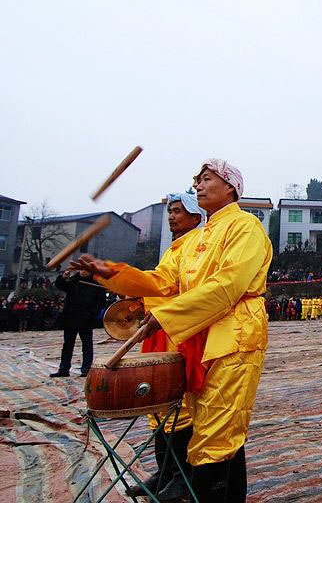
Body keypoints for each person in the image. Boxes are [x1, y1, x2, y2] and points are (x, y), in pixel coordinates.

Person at [72, 159, 272, 502]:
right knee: (196, 422)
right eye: (196, 180)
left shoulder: (245, 227)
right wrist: (110, 273)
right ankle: (192, 491)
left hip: (234, 335)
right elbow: (162, 282)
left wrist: (168, 317)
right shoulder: (196, 239)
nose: (198, 185)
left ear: (230, 188)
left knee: (218, 429)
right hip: (196, 334)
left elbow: (230, 284)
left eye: (206, 179)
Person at [126, 191, 206, 502]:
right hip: (156, 331)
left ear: (195, 217)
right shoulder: (173, 249)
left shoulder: (198, 247)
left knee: (180, 407)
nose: (172, 216)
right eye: (170, 211)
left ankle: (181, 476)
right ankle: (165, 469)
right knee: (158, 404)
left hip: (179, 332)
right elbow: (158, 282)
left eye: (178, 211)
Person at [49, 271, 106, 377]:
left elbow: (101, 301)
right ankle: (64, 369)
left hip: (86, 320)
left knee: (87, 345)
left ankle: (86, 369)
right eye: (81, 269)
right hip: (70, 318)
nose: (84, 271)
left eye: (86, 269)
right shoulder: (74, 281)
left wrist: (91, 313)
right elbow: (60, 285)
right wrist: (63, 277)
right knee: (67, 345)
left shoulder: (96, 284)